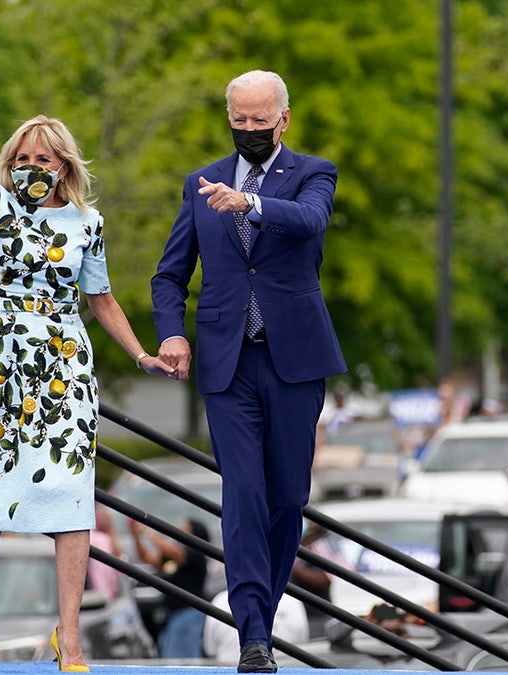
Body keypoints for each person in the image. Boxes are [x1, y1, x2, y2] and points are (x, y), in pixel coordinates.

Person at [0, 106, 175, 672]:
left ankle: (68, 636)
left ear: (64, 165)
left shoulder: (87, 223)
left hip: (63, 361)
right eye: (21, 159)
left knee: (72, 497)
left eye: (41, 159)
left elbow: (101, 299)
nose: (29, 167)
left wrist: (141, 354)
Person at [151, 70, 345, 673]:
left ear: (283, 118)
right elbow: (169, 275)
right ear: (229, 116)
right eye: (241, 121)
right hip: (228, 364)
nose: (251, 131)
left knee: (288, 498)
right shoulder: (199, 183)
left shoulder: (314, 172)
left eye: (261, 121)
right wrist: (173, 331)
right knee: (243, 493)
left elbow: (310, 221)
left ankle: (265, 607)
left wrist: (252, 203)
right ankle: (253, 636)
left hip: (294, 359)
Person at [129, 518, 211, 658]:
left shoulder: (196, 555)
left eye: (185, 529)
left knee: (182, 661)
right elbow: (147, 557)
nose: (179, 531)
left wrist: (147, 530)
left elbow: (173, 552)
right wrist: (135, 534)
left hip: (188, 616)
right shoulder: (176, 557)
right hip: (171, 617)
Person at [202, 590, 308, 663]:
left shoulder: (220, 600)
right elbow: (303, 643)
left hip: (233, 667)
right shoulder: (293, 602)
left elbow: (210, 650)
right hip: (282, 667)